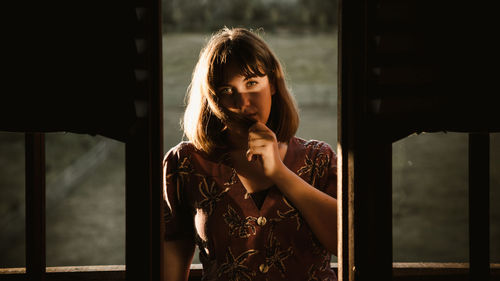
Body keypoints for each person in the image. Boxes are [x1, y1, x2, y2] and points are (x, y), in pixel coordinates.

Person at [162, 27, 338, 281]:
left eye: (252, 83)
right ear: (212, 99)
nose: (242, 103)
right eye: (226, 90)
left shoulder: (318, 159)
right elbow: (171, 266)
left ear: (273, 84)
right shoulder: (186, 164)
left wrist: (279, 173)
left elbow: (347, 242)